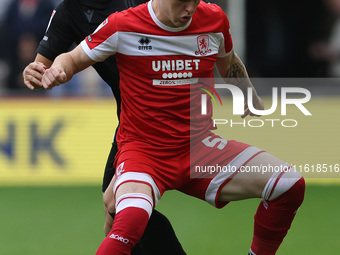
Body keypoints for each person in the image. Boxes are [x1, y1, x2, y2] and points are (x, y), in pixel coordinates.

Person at [38, 0, 306, 254]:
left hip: (200, 148)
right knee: (129, 223)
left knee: (289, 184)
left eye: (195, 0)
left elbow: (228, 59)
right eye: (182, 2)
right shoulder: (122, 25)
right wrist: (57, 71)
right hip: (144, 153)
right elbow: (72, 59)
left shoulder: (213, 19)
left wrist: (248, 95)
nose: (190, 8)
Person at [22, 0, 186, 254]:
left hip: (161, 115)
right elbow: (43, 67)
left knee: (119, 207)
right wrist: (34, 73)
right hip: (131, 120)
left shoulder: (136, 4)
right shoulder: (70, 10)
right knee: (116, 216)